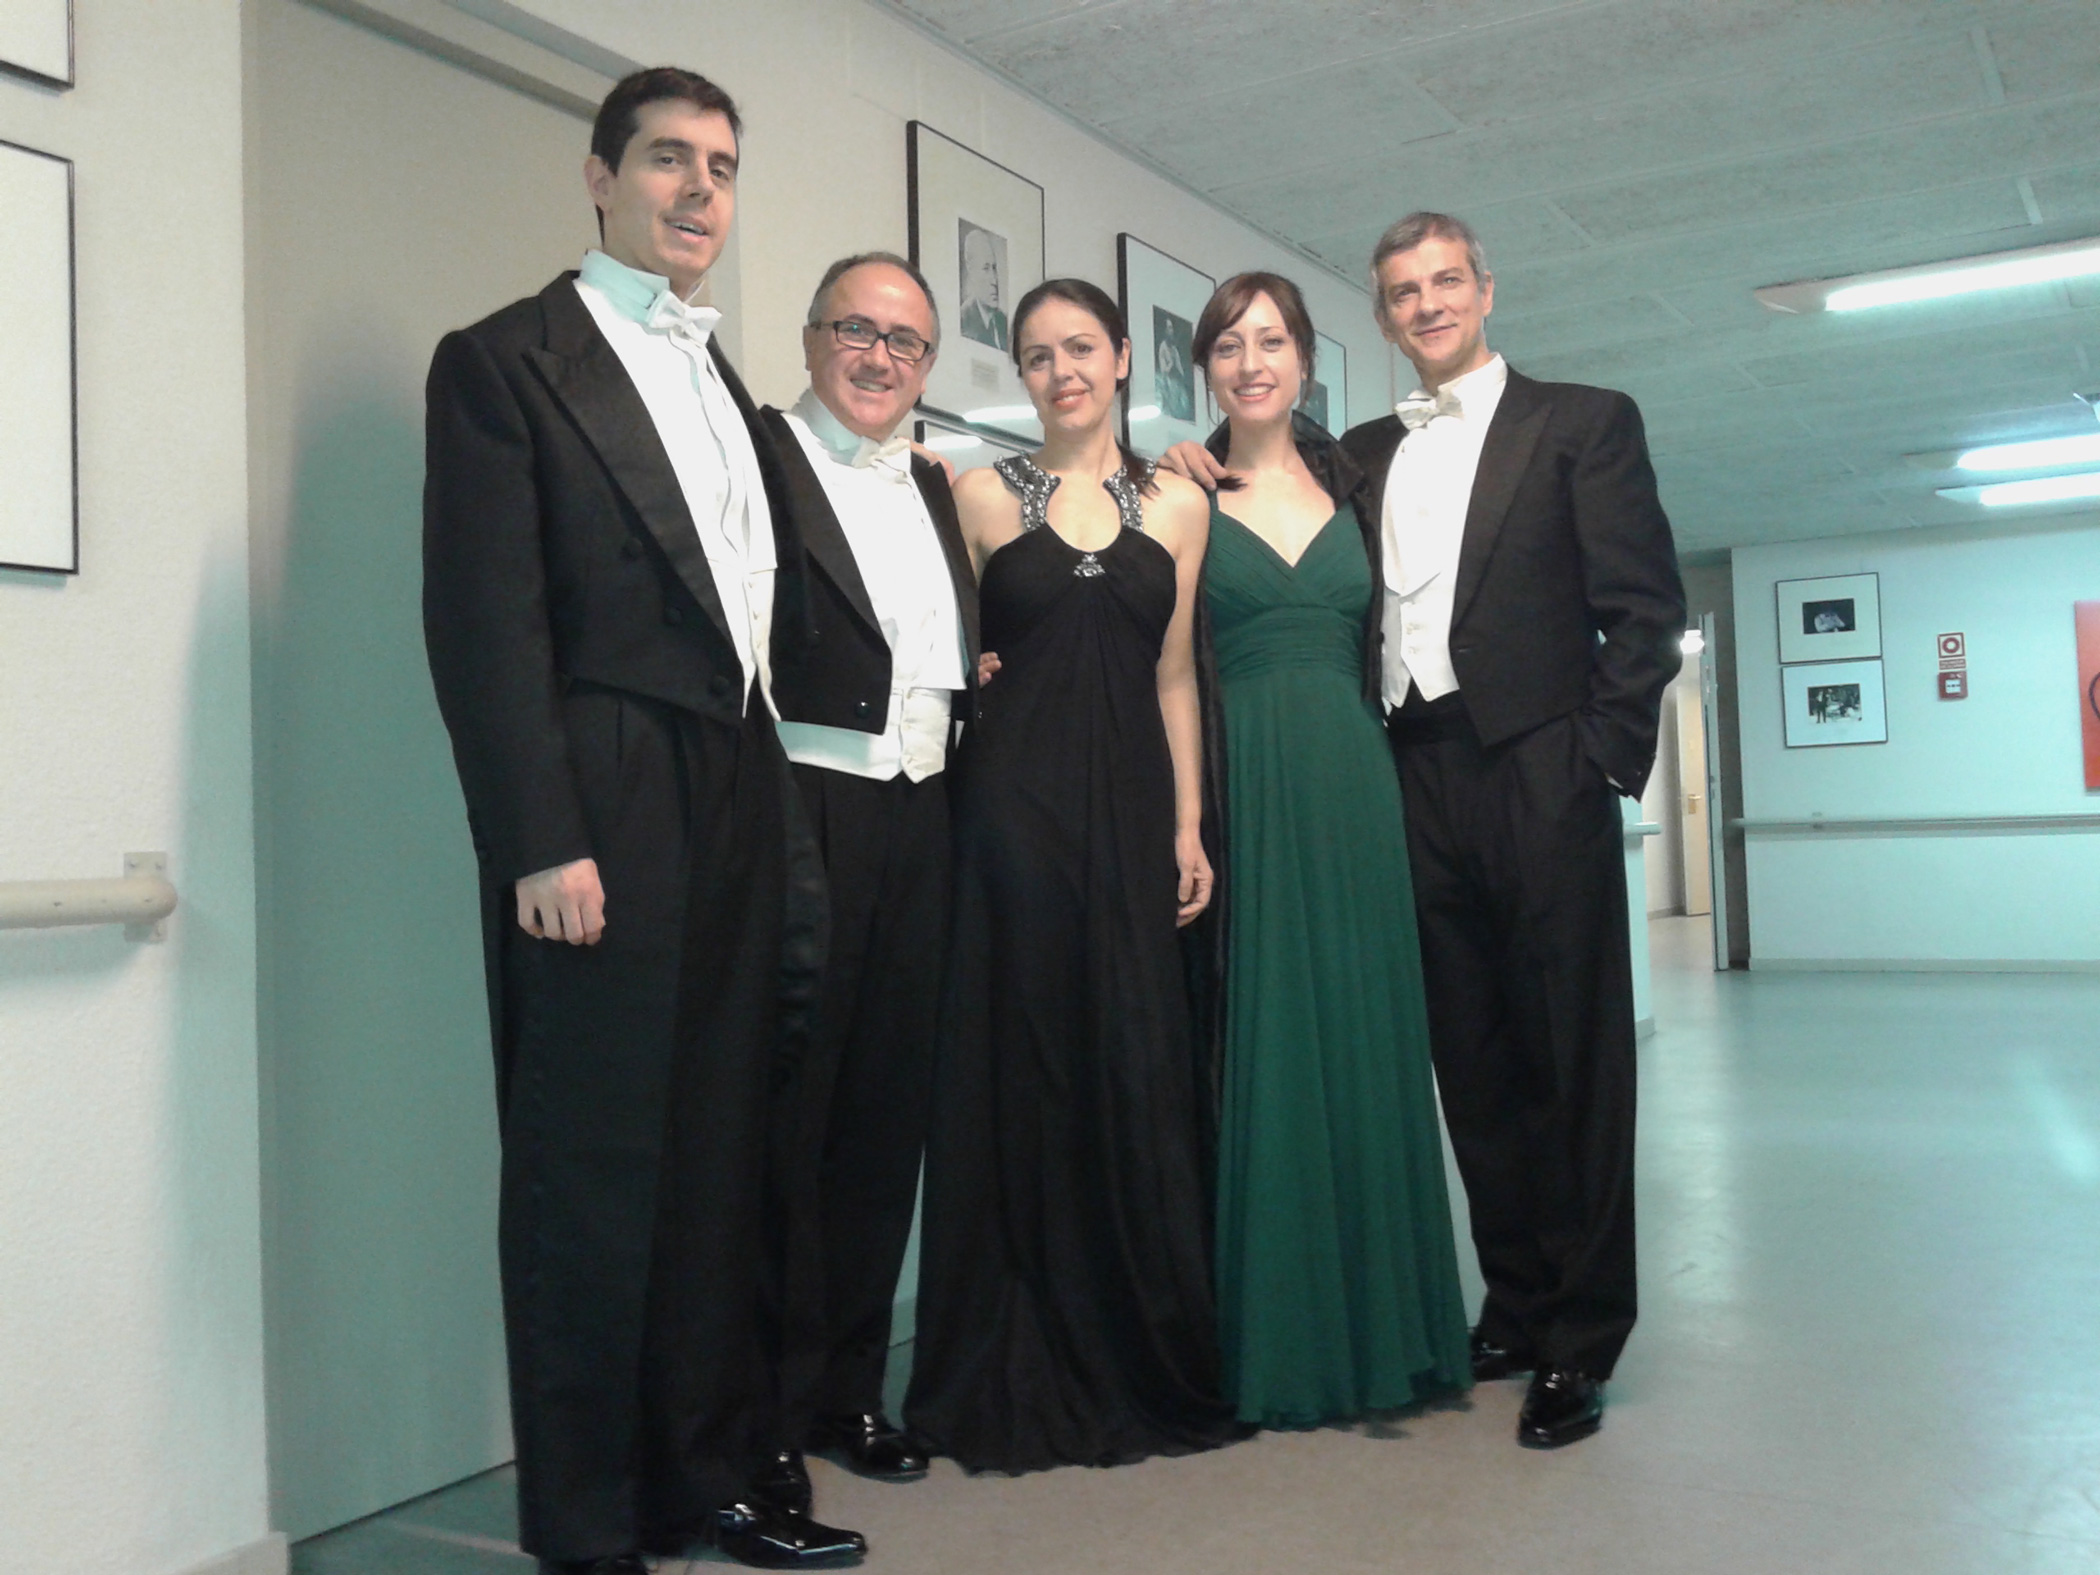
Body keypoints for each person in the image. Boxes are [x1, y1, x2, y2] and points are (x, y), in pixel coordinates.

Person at [421, 68, 865, 1573]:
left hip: (740, 775)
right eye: (670, 158)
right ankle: (589, 1523)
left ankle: (705, 1479)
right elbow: (485, 625)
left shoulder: (721, 375)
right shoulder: (503, 361)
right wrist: (539, 837)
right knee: (592, 1170)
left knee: (719, 1157)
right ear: (600, 176)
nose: (699, 189)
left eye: (722, 167)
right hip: (602, 790)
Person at [1166, 212, 1684, 1450]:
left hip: (1540, 770)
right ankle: (1514, 1306)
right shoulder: (1358, 454)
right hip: (1402, 773)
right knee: (1471, 1058)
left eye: (1446, 281)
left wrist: (1594, 765)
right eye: (1403, 291)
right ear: (1383, 316)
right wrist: (1184, 461)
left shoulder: (1583, 422)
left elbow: (1645, 611)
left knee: (1570, 1058)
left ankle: (1580, 1339)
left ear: (1486, 290)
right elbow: (1255, 487)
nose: (1428, 304)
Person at [903, 277, 1241, 1472]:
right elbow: (940, 645)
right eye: (1039, 355)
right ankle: (1016, 1349)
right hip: (1012, 816)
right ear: (1023, 375)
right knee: (1023, 1063)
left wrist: (1189, 826)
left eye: (1082, 348)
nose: (1064, 372)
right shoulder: (975, 496)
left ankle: (1136, 1343)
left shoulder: (1182, 505)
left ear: (1122, 360)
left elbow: (1175, 677)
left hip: (1136, 808)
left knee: (1130, 1056)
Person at [1186, 271, 1472, 1427]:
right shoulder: (1178, 485)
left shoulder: (1360, 481)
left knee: (1363, 1036)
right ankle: (1281, 1340)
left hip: (1357, 787)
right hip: (1244, 784)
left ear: (1306, 358)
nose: (1251, 362)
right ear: (1204, 368)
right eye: (1228, 345)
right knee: (1267, 1038)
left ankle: (1390, 1330)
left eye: (1271, 341)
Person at [755, 251, 978, 1491]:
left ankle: (848, 1391)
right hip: (806, 811)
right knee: (789, 1123)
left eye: (905, 342)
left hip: (923, 813)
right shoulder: (757, 456)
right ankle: (768, 1408)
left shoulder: (932, 482)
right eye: (857, 329)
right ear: (812, 337)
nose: (880, 357)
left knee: (886, 1119)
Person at [957, 224, 1009, 350]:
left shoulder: (1004, 322)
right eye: (986, 269)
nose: (994, 280)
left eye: (994, 268)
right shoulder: (963, 320)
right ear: (971, 271)